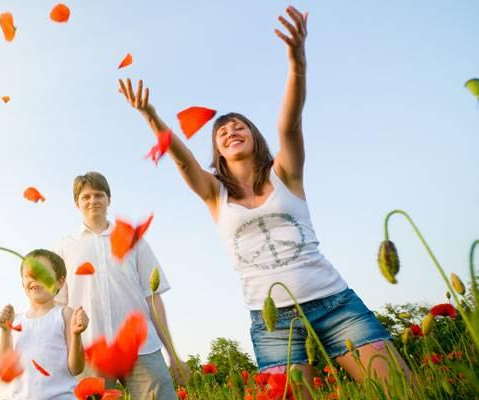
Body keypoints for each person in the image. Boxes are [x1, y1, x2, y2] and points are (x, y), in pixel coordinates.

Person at [117, 5, 410, 395]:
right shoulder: (214, 194)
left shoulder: (285, 174)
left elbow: (290, 123)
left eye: (239, 126)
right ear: (217, 151)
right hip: (272, 323)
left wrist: (297, 62)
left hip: (335, 305)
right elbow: (183, 160)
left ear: (254, 136)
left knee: (402, 391)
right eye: (221, 131)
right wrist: (151, 116)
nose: (230, 130)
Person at [54, 171, 187, 399]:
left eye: (99, 195)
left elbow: (152, 297)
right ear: (77, 203)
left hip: (142, 349)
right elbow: (59, 308)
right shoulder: (65, 247)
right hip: (89, 351)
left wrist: (172, 353)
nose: (93, 201)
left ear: (109, 200)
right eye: (86, 197)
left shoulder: (133, 240)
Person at [0, 249, 89, 399]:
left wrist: (76, 334)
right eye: (28, 274)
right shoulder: (16, 321)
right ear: (22, 284)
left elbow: (76, 368)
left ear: (60, 282)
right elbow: (5, 369)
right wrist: (5, 330)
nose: (34, 277)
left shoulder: (64, 314)